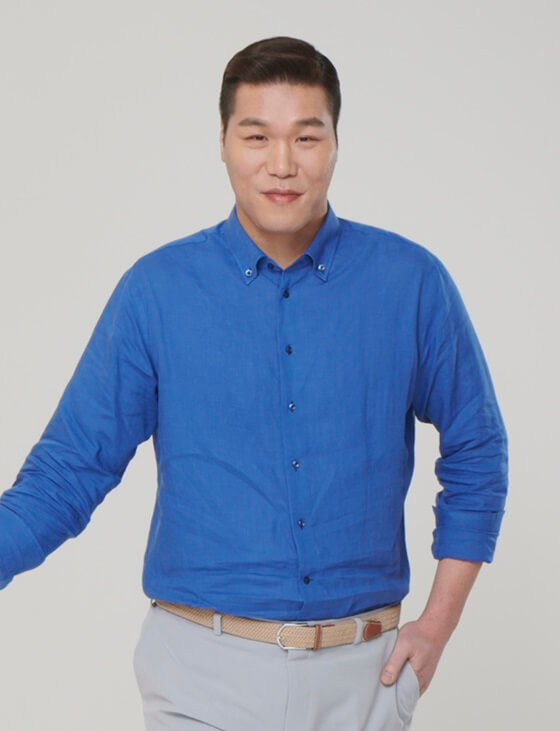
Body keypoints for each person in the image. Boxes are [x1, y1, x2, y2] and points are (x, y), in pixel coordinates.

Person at [0, 36, 508, 730]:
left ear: (335, 142)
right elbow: (68, 470)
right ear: (222, 141)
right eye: (257, 135)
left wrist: (439, 624)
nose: (282, 163)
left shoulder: (411, 283)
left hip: (364, 679)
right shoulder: (157, 292)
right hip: (201, 676)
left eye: (306, 136)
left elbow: (478, 448)